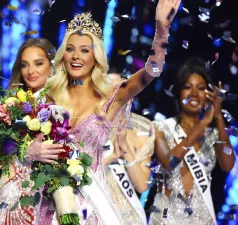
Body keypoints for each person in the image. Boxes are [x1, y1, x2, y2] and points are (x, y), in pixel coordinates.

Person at [44, 0, 181, 224]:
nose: (76, 56)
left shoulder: (109, 97)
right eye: (70, 49)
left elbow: (151, 72)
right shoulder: (49, 96)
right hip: (49, 204)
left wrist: (162, 30)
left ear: (95, 57)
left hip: (89, 206)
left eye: (84, 50)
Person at [150, 57, 235, 225]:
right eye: (188, 87)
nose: (194, 93)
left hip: (202, 219)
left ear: (209, 95)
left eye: (201, 88)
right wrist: (203, 123)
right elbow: (169, 162)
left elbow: (228, 165)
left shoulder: (213, 135)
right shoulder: (161, 128)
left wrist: (218, 116)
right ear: (179, 92)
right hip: (166, 219)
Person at [0, 38, 65, 225]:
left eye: (39, 63)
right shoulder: (9, 105)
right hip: (12, 191)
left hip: (51, 195)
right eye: (25, 65)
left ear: (52, 65)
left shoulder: (65, 104)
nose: (31, 71)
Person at [102, 73, 155, 225]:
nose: (115, 95)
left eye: (121, 89)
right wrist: (110, 158)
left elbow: (142, 185)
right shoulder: (87, 126)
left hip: (124, 216)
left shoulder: (141, 131)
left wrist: (126, 150)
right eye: (108, 89)